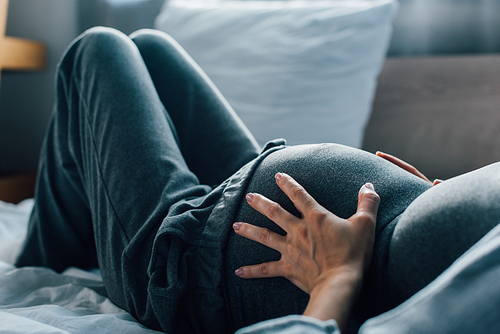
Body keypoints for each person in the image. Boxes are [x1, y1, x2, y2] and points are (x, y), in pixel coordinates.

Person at [15, 27, 500, 334]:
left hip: (192, 271)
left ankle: (40, 263)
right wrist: (435, 199)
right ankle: (91, 236)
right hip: (239, 197)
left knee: (97, 50)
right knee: (151, 48)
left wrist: (337, 277)